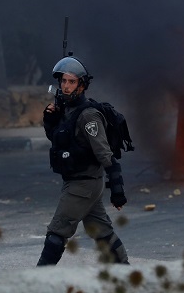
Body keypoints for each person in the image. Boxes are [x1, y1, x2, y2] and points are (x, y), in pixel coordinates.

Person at [36, 56, 129, 266]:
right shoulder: (66, 110)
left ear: (81, 85)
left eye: (72, 82)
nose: (66, 86)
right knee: (101, 230)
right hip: (81, 182)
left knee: (57, 232)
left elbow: (104, 152)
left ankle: (37, 281)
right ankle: (124, 271)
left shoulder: (88, 116)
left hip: (82, 185)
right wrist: (51, 120)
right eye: (63, 81)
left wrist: (117, 187)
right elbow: (61, 141)